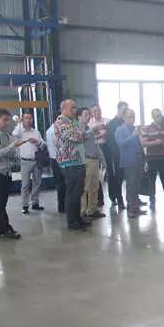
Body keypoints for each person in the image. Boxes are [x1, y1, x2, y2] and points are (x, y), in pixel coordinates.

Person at [0, 109, 23, 239]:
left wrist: (10, 148)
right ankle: (4, 228)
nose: (7, 123)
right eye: (4, 120)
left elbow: (12, 154)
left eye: (8, 120)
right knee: (1, 201)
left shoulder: (7, 135)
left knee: (3, 201)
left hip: (7, 172)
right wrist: (12, 146)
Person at [54, 99, 90, 230]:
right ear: (63, 109)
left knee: (78, 191)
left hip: (78, 160)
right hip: (68, 162)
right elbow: (75, 137)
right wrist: (82, 133)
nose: (75, 110)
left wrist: (81, 133)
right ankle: (71, 221)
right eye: (72, 108)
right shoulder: (61, 122)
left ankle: (77, 218)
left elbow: (81, 134)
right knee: (72, 192)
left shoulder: (72, 122)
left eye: (75, 107)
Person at [141, 108, 164, 208]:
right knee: (151, 181)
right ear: (152, 117)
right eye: (157, 116)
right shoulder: (147, 128)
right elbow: (143, 143)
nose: (159, 117)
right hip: (152, 158)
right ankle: (152, 200)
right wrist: (155, 142)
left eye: (160, 115)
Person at [12, 112, 46, 214]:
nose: (29, 120)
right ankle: (25, 205)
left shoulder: (36, 132)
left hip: (36, 161)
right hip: (25, 161)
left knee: (37, 183)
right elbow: (14, 134)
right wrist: (19, 124)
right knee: (25, 184)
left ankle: (35, 203)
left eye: (30, 118)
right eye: (26, 118)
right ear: (22, 120)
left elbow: (43, 145)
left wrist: (37, 142)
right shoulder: (19, 132)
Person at [115, 109, 146, 218]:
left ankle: (136, 206)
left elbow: (141, 144)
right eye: (129, 117)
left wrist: (141, 135)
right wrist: (133, 135)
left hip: (139, 159)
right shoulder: (120, 130)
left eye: (133, 116)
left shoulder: (135, 129)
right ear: (124, 118)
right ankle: (130, 207)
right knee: (131, 184)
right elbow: (121, 144)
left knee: (137, 184)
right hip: (128, 161)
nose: (132, 119)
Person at [77, 107, 106, 219]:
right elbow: (81, 137)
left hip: (95, 160)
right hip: (86, 160)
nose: (88, 117)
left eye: (89, 115)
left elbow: (96, 145)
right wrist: (92, 130)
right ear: (79, 116)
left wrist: (103, 160)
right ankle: (83, 211)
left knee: (95, 186)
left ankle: (92, 209)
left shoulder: (89, 128)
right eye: (85, 115)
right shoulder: (77, 129)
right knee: (85, 187)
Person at [105, 101, 128, 209]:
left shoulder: (126, 122)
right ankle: (118, 199)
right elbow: (111, 141)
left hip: (127, 154)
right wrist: (117, 154)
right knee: (116, 178)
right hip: (116, 156)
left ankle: (133, 198)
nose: (125, 112)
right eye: (124, 110)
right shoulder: (112, 124)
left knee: (129, 178)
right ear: (118, 109)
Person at [88, 104, 109, 207]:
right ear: (92, 113)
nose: (97, 112)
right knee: (96, 175)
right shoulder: (89, 123)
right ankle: (98, 199)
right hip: (95, 149)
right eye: (95, 111)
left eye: (99, 110)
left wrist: (98, 134)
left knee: (108, 173)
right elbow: (89, 136)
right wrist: (100, 134)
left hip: (106, 147)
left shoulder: (107, 121)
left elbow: (109, 133)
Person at [45, 114, 66, 213]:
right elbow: (59, 145)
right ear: (56, 120)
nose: (62, 121)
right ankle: (62, 207)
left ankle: (62, 206)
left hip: (55, 159)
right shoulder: (54, 131)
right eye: (60, 119)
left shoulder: (51, 129)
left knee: (61, 183)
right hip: (57, 160)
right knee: (61, 184)